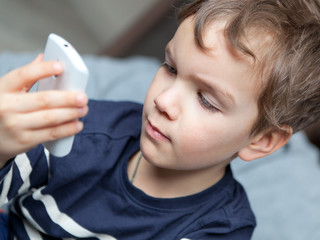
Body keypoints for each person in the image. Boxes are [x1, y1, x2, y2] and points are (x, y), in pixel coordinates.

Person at [0, 0, 319, 239]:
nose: (163, 101)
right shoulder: (90, 131)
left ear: (261, 140)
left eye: (206, 100)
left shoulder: (220, 227)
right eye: (170, 68)